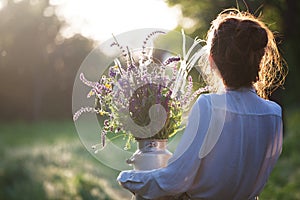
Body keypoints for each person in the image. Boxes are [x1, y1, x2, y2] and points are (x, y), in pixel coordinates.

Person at [117, 9, 287, 200]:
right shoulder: (274, 114)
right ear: (260, 61)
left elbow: (174, 180)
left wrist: (129, 178)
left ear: (211, 60)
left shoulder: (209, 105)